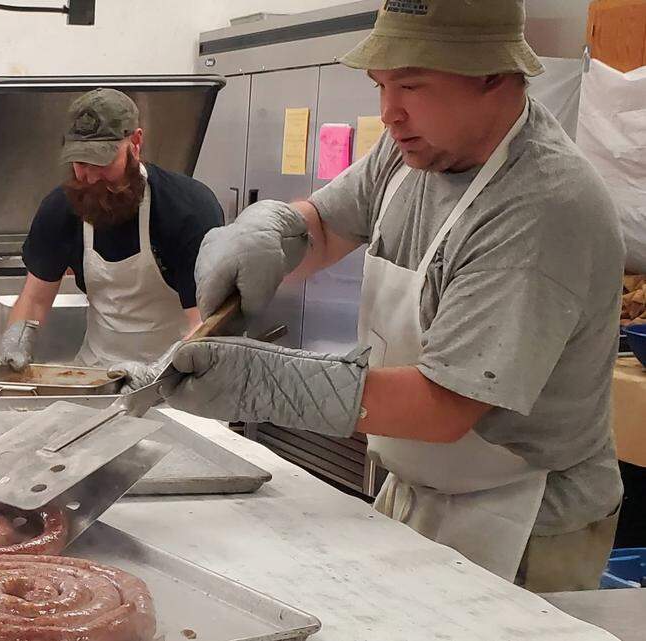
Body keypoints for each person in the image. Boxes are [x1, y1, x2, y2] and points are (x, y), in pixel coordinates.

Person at [160, 0, 624, 592]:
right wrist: (271, 231)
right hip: (419, 487)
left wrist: (264, 383)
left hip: (524, 521)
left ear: (493, 75)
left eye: (411, 84)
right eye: (380, 84)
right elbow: (326, 226)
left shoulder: (540, 206)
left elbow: (444, 406)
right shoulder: (414, 152)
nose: (389, 111)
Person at [0, 88, 224, 373]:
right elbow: (34, 299)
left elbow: (203, 325)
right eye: (80, 163)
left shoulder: (188, 210)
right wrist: (17, 340)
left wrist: (162, 374)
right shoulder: (61, 209)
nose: (90, 178)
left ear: (136, 143)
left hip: (177, 381)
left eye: (102, 162)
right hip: (95, 376)